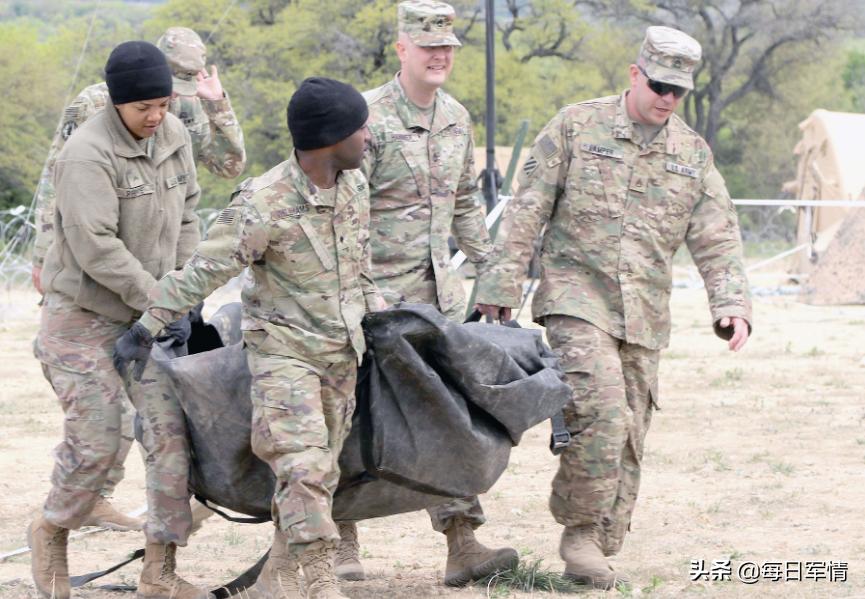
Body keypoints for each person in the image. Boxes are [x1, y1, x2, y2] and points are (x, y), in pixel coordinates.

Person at [474, 26, 753, 589]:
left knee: (630, 430)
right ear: (634, 74)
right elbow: (529, 206)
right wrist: (501, 282)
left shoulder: (691, 154)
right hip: (576, 298)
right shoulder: (576, 126)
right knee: (600, 412)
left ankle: (602, 540)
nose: (667, 98)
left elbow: (717, 234)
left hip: (644, 312)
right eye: (658, 86)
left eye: (678, 91)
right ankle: (579, 533)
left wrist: (732, 303)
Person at [114, 77, 385, 599]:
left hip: (341, 355)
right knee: (302, 466)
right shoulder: (264, 203)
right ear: (331, 137)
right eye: (361, 127)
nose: (368, 136)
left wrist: (380, 322)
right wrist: (146, 327)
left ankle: (276, 579)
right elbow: (202, 270)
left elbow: (360, 270)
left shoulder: (354, 187)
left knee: (322, 471)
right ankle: (321, 580)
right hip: (284, 356)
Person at [331, 0, 518, 588]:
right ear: (403, 48)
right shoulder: (366, 117)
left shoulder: (457, 118)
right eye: (429, 46)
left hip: (437, 302)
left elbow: (465, 202)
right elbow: (345, 210)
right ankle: (338, 538)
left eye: (447, 48)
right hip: (372, 303)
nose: (440, 56)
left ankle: (463, 541)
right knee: (349, 415)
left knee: (450, 418)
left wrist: (492, 271)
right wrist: (360, 291)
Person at [27, 41, 202, 599]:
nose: (156, 116)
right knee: (99, 438)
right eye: (143, 107)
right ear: (117, 103)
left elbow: (190, 215)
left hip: (149, 315)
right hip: (82, 318)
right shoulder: (86, 153)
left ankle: (160, 574)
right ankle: (51, 529)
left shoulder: (174, 137)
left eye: (164, 104)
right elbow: (95, 246)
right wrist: (160, 299)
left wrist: (182, 293)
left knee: (171, 440)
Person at [32, 26, 246, 292]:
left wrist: (217, 104)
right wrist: (43, 254)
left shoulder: (192, 105)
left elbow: (229, 167)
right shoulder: (94, 102)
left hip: (163, 259)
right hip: (98, 253)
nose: (173, 96)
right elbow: (55, 177)